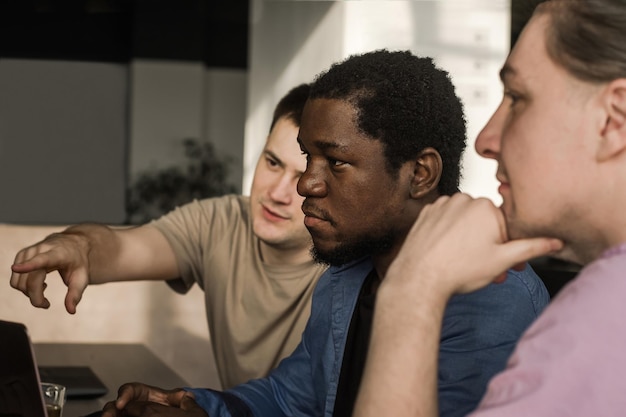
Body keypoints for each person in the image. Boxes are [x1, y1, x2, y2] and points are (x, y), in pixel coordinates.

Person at [100, 49, 549, 417]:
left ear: (420, 173)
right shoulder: (346, 275)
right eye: (305, 159)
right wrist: (197, 409)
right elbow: (290, 398)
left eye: (334, 162)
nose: (305, 185)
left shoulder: (496, 299)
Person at [353, 1, 626, 416]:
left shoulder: (602, 322)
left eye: (516, 97)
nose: (485, 139)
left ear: (613, 120)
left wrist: (412, 290)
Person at [9, 83, 327, 389]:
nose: (277, 193)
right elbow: (123, 248)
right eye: (272, 163)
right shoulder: (221, 221)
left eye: (301, 177)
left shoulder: (347, 267)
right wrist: (78, 244)